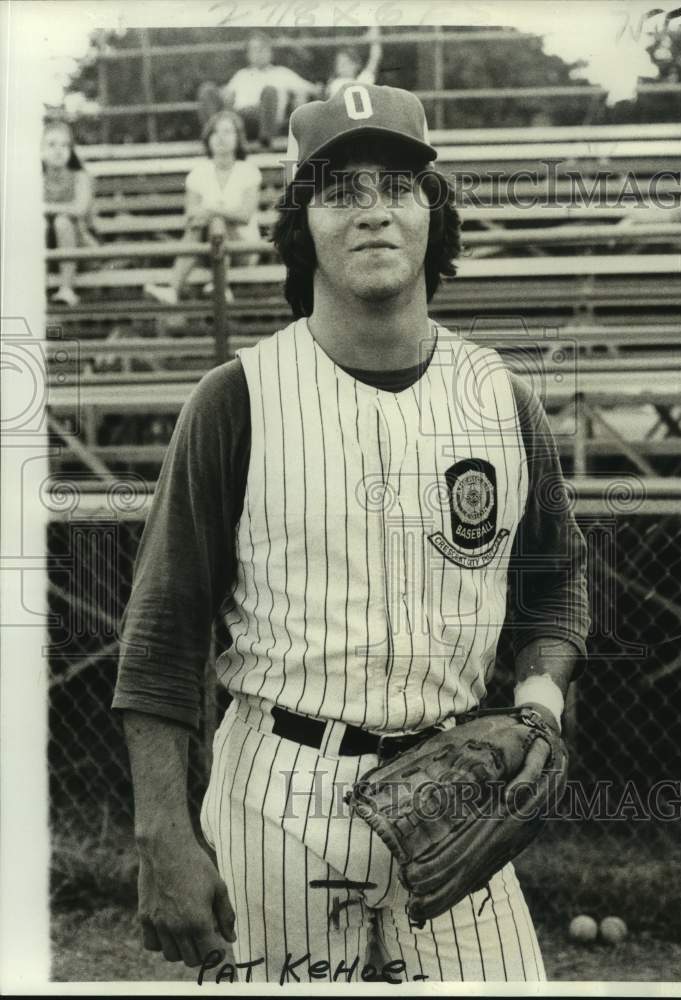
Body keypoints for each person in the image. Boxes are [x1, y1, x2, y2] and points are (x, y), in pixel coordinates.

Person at [113, 83, 590, 983]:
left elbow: (556, 576)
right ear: (303, 225)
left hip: (457, 783)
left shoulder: (501, 397)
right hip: (280, 791)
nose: (373, 210)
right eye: (339, 189)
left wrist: (540, 702)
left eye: (398, 185)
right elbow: (162, 635)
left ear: (431, 213)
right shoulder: (236, 400)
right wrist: (162, 833)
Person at [145, 111, 262, 306]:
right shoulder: (199, 173)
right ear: (208, 139)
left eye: (227, 131)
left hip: (242, 249)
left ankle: (217, 286)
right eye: (215, 132)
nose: (221, 137)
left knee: (216, 221)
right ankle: (173, 290)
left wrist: (212, 211)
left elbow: (244, 215)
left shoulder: (248, 171)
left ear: (238, 138)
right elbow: (191, 215)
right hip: (206, 250)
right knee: (201, 226)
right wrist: (215, 214)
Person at [198, 33, 321, 147]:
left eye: (263, 49)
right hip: (238, 120)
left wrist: (302, 97)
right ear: (248, 54)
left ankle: (265, 139)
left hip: (264, 121)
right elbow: (226, 95)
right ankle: (212, 136)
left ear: (270, 52)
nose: (259, 53)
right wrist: (222, 96)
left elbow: (313, 89)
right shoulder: (242, 74)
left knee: (269, 90)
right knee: (207, 89)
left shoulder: (282, 73)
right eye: (254, 50)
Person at [42, 120, 98, 307]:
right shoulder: (35, 177)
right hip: (46, 250)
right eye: (51, 145)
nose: (59, 150)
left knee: (62, 222)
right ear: (40, 149)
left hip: (80, 247)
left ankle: (66, 289)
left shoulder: (80, 175)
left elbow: (79, 208)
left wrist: (45, 208)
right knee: (38, 223)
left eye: (65, 145)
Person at [326, 30, 382, 98]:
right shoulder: (335, 84)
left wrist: (375, 39)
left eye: (345, 63)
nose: (341, 66)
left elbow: (375, 58)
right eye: (338, 63)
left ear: (356, 65)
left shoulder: (362, 79)